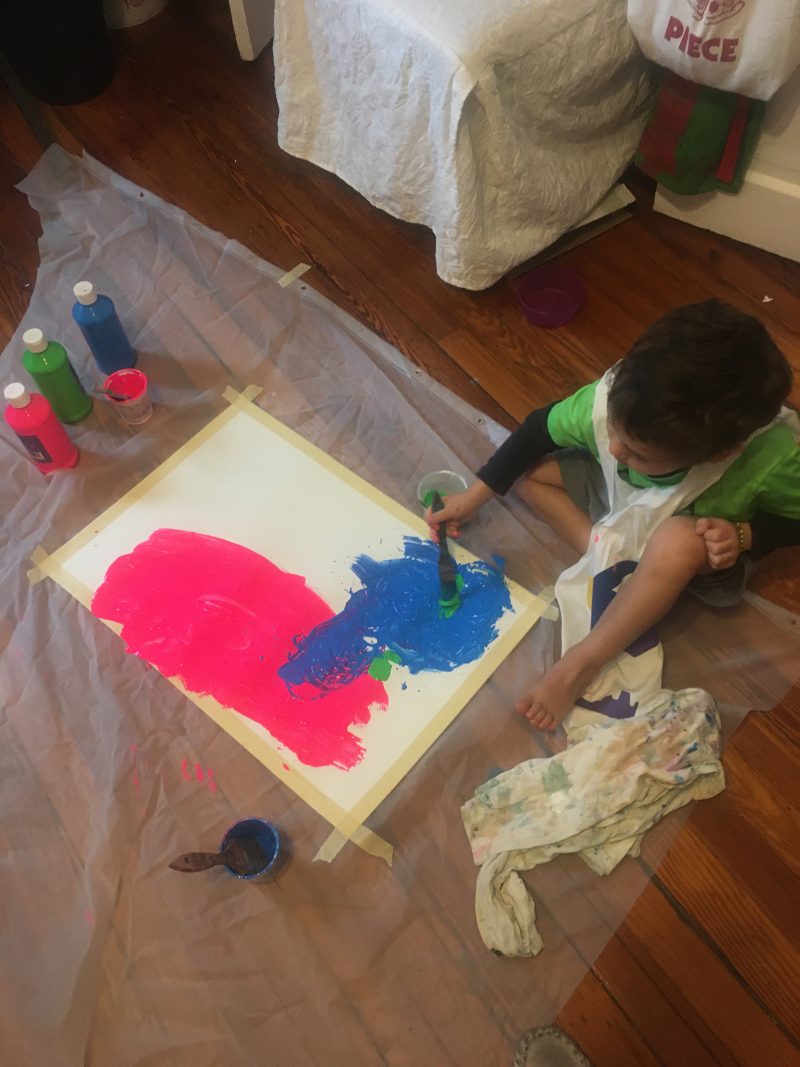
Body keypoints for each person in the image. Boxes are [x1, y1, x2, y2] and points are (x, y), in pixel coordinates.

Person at [427, 300, 800, 731]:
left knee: (677, 543)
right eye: (614, 434)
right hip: (618, 499)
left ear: (719, 454)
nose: (616, 449)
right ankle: (616, 561)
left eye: (638, 452)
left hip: (696, 534)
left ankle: (582, 663)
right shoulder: (615, 401)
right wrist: (475, 495)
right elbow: (535, 431)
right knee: (526, 475)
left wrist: (745, 534)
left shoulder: (773, 457)